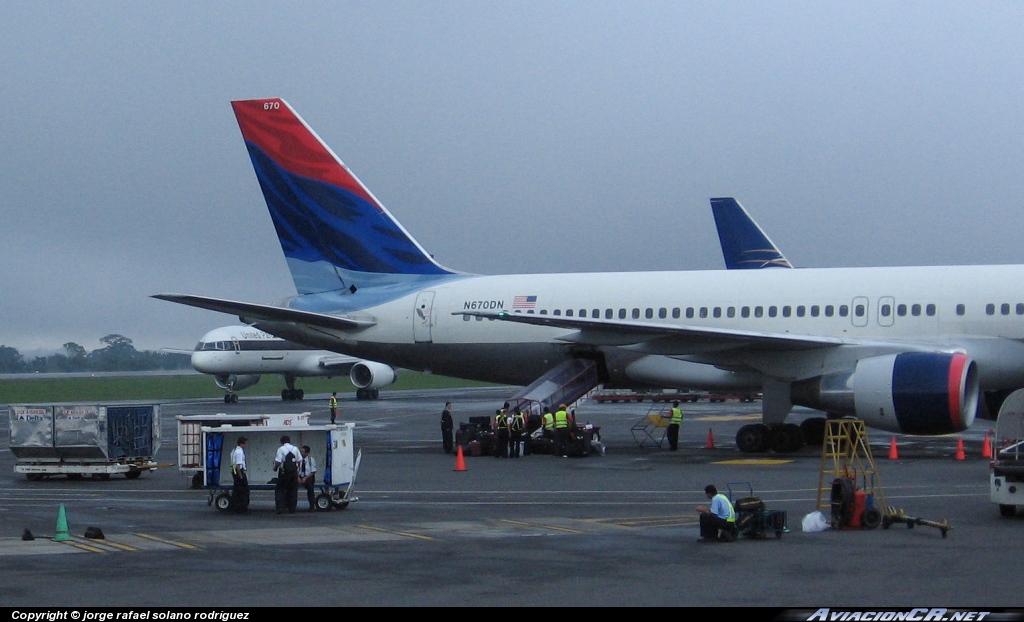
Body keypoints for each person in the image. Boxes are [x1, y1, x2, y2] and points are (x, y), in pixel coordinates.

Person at [273, 435, 302, 514]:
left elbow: (278, 461)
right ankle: (292, 508)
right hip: (293, 472)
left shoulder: (281, 449)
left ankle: (280, 507)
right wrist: (298, 472)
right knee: (293, 490)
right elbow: (299, 460)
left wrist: (275, 468)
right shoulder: (295, 449)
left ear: (282, 442)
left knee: (280, 490)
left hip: (283, 472)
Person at [229, 436, 249, 514]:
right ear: (242, 443)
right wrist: (241, 476)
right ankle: (242, 507)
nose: (246, 445)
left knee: (236, 491)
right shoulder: (239, 452)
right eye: (246, 443)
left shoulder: (234, 450)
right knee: (244, 491)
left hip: (234, 472)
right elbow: (238, 465)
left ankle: (235, 507)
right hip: (239, 472)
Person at [299, 445, 318, 512]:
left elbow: (313, 471)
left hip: (308, 476)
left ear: (307, 453)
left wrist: (305, 478)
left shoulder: (311, 459)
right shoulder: (299, 459)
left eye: (303, 452)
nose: (301, 453)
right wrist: (298, 477)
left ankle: (312, 505)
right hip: (300, 476)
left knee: (310, 488)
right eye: (301, 451)